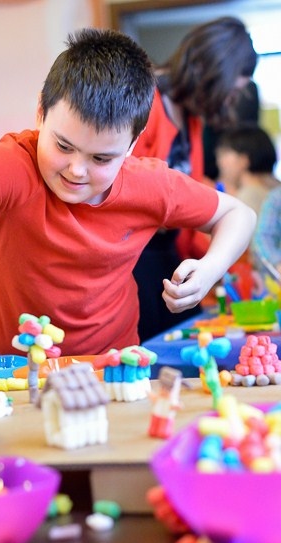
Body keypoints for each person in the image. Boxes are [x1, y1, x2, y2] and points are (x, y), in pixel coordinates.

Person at [0, 28, 256, 359]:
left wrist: (209, 269)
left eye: (101, 158)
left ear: (132, 143)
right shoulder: (13, 164)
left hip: (112, 370)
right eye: (63, 146)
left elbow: (239, 214)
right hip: (7, 376)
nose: (76, 170)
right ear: (41, 112)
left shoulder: (149, 184)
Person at [132, 16, 258, 341]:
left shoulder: (191, 118)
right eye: (233, 91)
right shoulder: (145, 98)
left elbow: (191, 203)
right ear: (217, 73)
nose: (229, 102)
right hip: (134, 255)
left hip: (166, 251)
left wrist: (217, 263)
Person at [215, 123, 280, 215]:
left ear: (244, 160)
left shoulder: (249, 196)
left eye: (225, 154)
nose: (220, 162)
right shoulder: (274, 189)